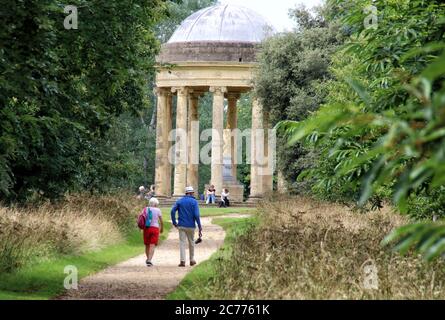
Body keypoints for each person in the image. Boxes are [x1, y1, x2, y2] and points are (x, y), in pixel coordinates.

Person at [171, 186, 202, 267]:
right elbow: (196, 215)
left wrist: (174, 222)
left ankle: (182, 261)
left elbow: (172, 211)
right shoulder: (194, 202)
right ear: (191, 193)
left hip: (181, 225)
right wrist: (199, 225)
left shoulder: (180, 201)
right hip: (191, 225)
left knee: (182, 243)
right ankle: (191, 260)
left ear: (186, 193)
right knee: (191, 242)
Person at [140, 197, 163, 267]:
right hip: (155, 228)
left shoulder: (145, 209)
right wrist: (162, 228)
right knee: (152, 244)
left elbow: (141, 218)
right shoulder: (158, 210)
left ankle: (148, 259)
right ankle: (149, 260)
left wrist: (141, 228)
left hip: (146, 228)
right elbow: (161, 221)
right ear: (156, 204)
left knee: (147, 244)